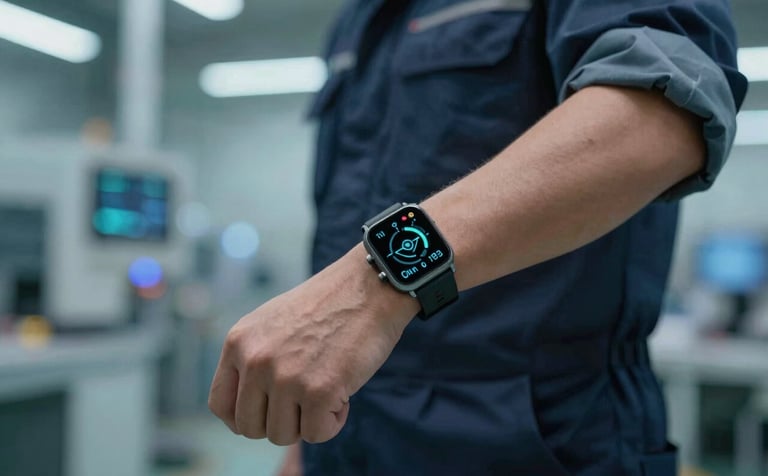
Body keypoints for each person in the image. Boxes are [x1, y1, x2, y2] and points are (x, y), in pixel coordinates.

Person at [208, 0, 747, 474]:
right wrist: (306, 447)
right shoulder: (359, 18)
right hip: (350, 439)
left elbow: (658, 116)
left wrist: (371, 285)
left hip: (538, 442)